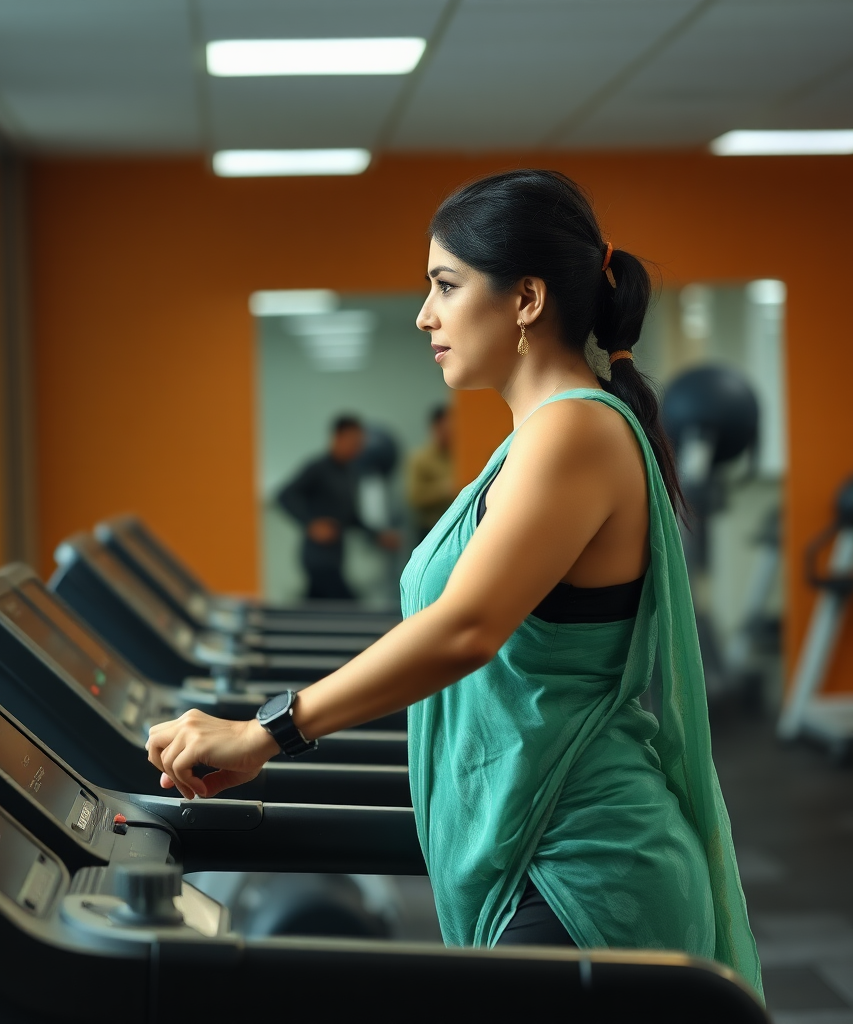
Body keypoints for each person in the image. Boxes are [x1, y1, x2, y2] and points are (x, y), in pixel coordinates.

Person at [146, 170, 762, 996]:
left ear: (526, 300)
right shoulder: (536, 440)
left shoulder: (576, 431)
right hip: (539, 846)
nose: (425, 314)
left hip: (583, 867)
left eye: (446, 285)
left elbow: (467, 630)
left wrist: (267, 732)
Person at [277, 414, 399, 601]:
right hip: (316, 557)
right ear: (337, 437)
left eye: (360, 443)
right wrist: (311, 524)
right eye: (353, 441)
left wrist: (377, 535)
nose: (357, 448)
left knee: (317, 605)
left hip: (336, 557)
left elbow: (350, 517)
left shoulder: (351, 473)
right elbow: (285, 496)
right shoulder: (317, 468)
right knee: (347, 602)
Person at [406, 405, 455, 543]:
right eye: (447, 427)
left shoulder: (459, 456)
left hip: (455, 527)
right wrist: (446, 488)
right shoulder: (420, 458)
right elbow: (414, 496)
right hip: (430, 529)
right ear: (436, 428)